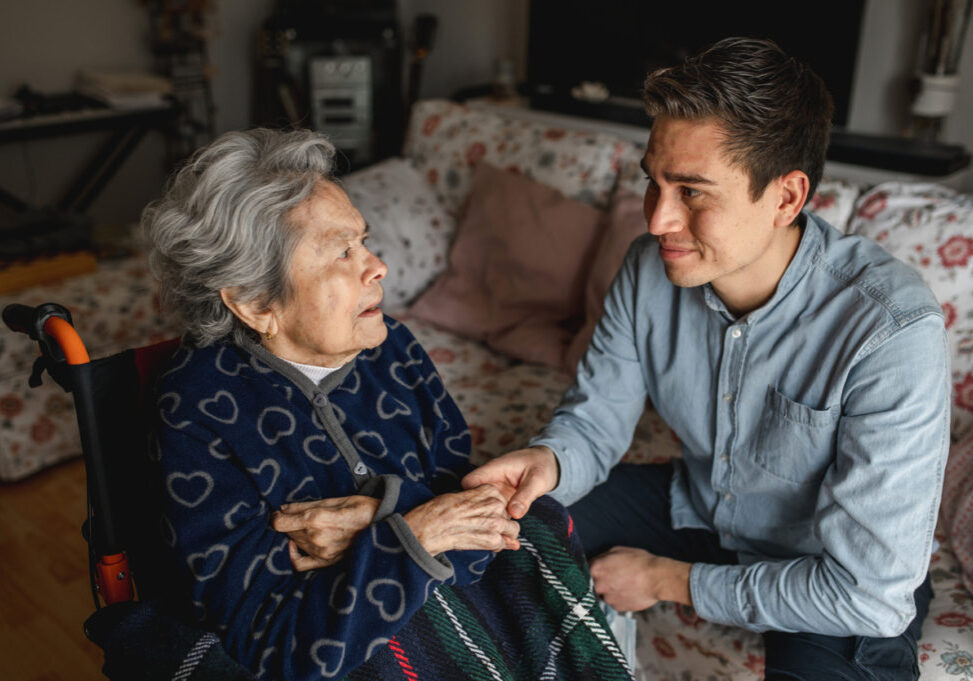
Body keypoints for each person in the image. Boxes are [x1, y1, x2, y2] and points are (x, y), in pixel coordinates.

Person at [463, 37, 950, 680]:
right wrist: (550, 461)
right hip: (695, 505)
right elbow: (595, 420)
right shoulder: (648, 269)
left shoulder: (890, 329)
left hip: (824, 563)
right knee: (496, 534)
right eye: (654, 182)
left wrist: (669, 580)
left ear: (786, 197)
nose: (659, 218)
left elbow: (868, 592)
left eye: (692, 192)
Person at [143, 128, 634, 681]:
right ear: (257, 303)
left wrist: (380, 519)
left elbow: (476, 520)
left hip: (422, 598)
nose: (376, 266)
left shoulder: (392, 347)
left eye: (365, 242)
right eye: (343, 252)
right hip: (339, 645)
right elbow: (274, 638)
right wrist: (412, 534)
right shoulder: (198, 407)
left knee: (538, 517)